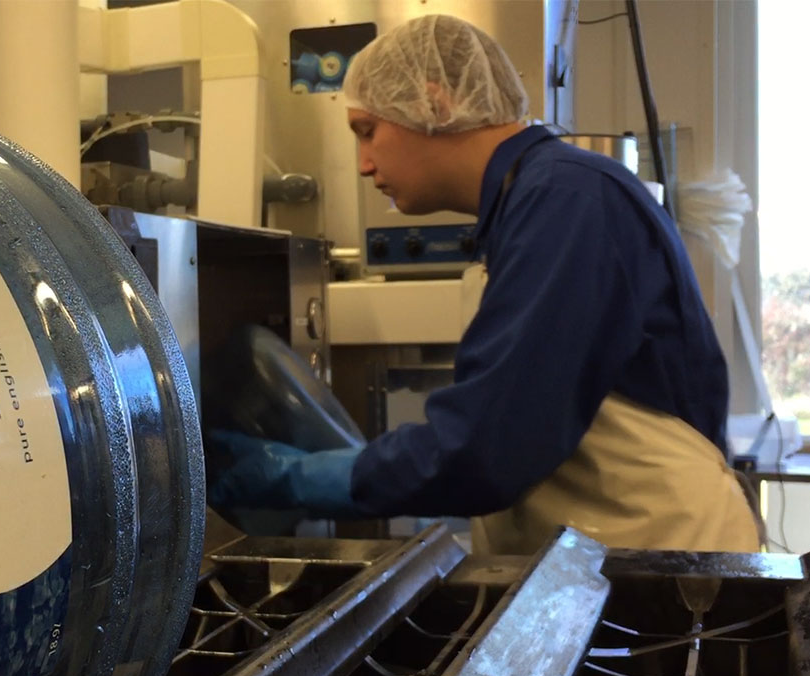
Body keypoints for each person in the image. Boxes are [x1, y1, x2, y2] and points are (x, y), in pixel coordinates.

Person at [208, 14, 762, 555]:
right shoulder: (527, 204)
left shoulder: (567, 200)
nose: (364, 164)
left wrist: (294, 479)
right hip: (608, 559)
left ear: (433, 102)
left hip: (665, 563)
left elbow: (490, 444)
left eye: (368, 131)